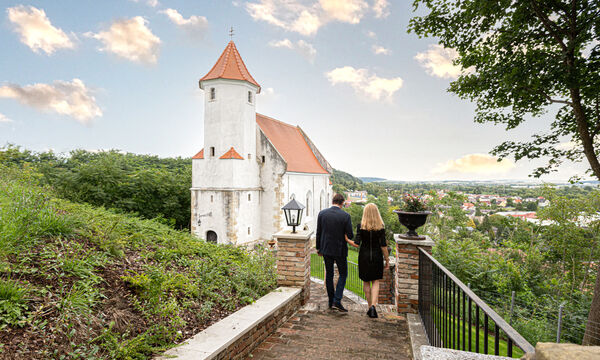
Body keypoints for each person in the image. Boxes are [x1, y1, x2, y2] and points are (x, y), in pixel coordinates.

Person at [348, 203, 389, 318]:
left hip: (364, 256)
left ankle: (369, 306)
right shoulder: (381, 227)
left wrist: (347, 239)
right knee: (376, 281)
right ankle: (373, 307)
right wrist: (387, 259)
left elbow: (356, 244)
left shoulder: (360, 226)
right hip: (376, 256)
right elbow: (383, 246)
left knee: (366, 281)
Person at [316, 193, 354, 312]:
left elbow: (319, 232)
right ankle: (337, 300)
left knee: (329, 274)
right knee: (343, 274)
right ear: (342, 203)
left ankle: (330, 301)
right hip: (340, 250)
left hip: (326, 249)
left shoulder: (322, 214)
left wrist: (318, 248)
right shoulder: (345, 216)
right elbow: (351, 235)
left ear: (333, 201)